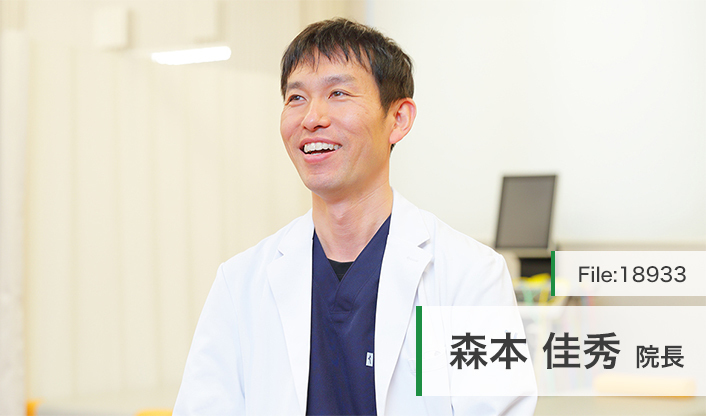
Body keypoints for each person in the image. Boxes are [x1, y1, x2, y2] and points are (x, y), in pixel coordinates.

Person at [173, 18, 536, 415]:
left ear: (398, 119)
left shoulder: (469, 276)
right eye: (296, 97)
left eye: (338, 93)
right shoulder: (240, 284)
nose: (312, 117)